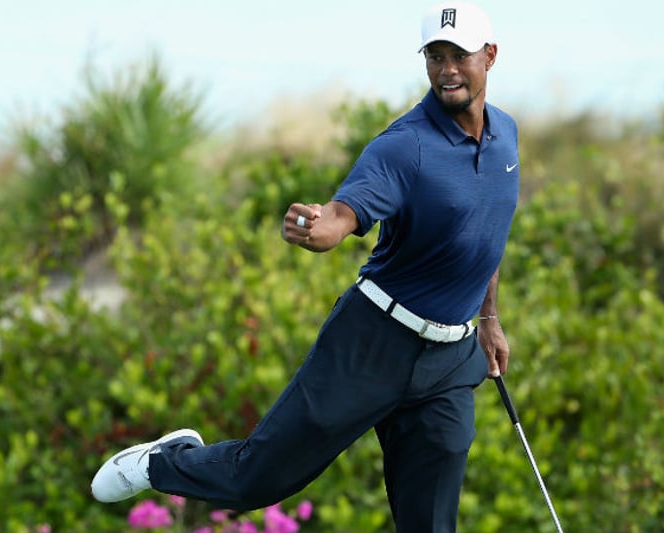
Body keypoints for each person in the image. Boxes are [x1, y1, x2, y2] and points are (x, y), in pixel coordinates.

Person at [90, 2, 519, 531]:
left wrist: (490, 319)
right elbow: (341, 216)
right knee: (259, 480)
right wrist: (316, 228)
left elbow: (486, 232)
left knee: (431, 524)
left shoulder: (507, 137)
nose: (447, 68)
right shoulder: (404, 148)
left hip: (450, 360)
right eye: (435, 55)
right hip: (374, 341)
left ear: (490, 56)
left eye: (460, 55)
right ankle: (161, 461)